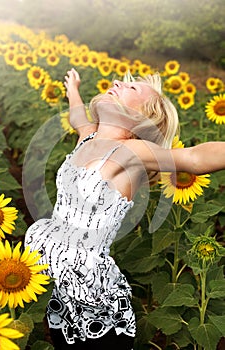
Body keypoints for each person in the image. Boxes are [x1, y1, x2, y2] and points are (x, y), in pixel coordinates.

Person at [24, 68, 225, 350]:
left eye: (131, 89)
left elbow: (193, 157)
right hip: (61, 289)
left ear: (141, 119)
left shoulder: (131, 151)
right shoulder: (88, 138)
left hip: (94, 302)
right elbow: (78, 118)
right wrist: (73, 90)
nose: (117, 82)